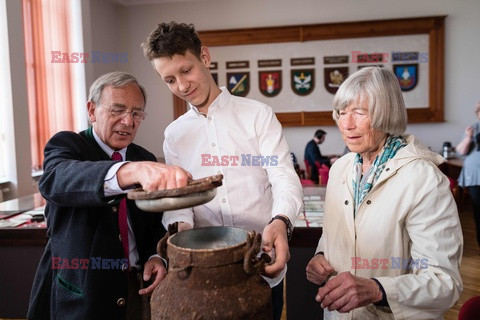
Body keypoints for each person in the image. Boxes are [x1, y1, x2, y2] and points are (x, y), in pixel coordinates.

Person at [142, 22, 303, 320]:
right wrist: (180, 237)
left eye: (186, 70)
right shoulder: (174, 134)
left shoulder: (258, 116)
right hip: (203, 276)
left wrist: (281, 221)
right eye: (170, 80)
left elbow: (282, 176)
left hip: (260, 263)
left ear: (205, 56)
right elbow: (180, 203)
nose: (182, 86)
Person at [27, 71, 191, 320]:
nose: (128, 121)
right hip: (83, 294)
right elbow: (56, 180)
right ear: (92, 111)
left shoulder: (143, 156)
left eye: (137, 113)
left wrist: (156, 256)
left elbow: (154, 223)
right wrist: (128, 172)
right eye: (117, 110)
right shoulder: (68, 146)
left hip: (137, 289)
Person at [305, 67, 463, 319]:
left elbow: (444, 282)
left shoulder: (424, 179)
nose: (346, 124)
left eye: (359, 112)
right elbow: (333, 234)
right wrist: (321, 256)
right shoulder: (340, 169)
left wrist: (379, 290)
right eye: (342, 112)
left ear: (386, 113)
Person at [456, 101, 480, 249]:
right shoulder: (473, 128)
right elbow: (461, 151)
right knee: (478, 211)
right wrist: (468, 137)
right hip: (475, 176)